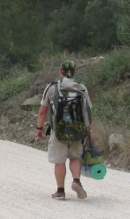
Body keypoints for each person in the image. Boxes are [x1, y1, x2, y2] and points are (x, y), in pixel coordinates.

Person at [36, 60, 93, 200]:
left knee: (59, 161)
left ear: (60, 71)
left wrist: (39, 127)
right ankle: (76, 181)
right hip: (78, 130)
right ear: (74, 72)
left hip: (59, 130)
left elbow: (43, 111)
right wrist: (89, 131)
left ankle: (60, 191)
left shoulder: (51, 88)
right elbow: (88, 112)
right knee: (75, 157)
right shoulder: (81, 88)